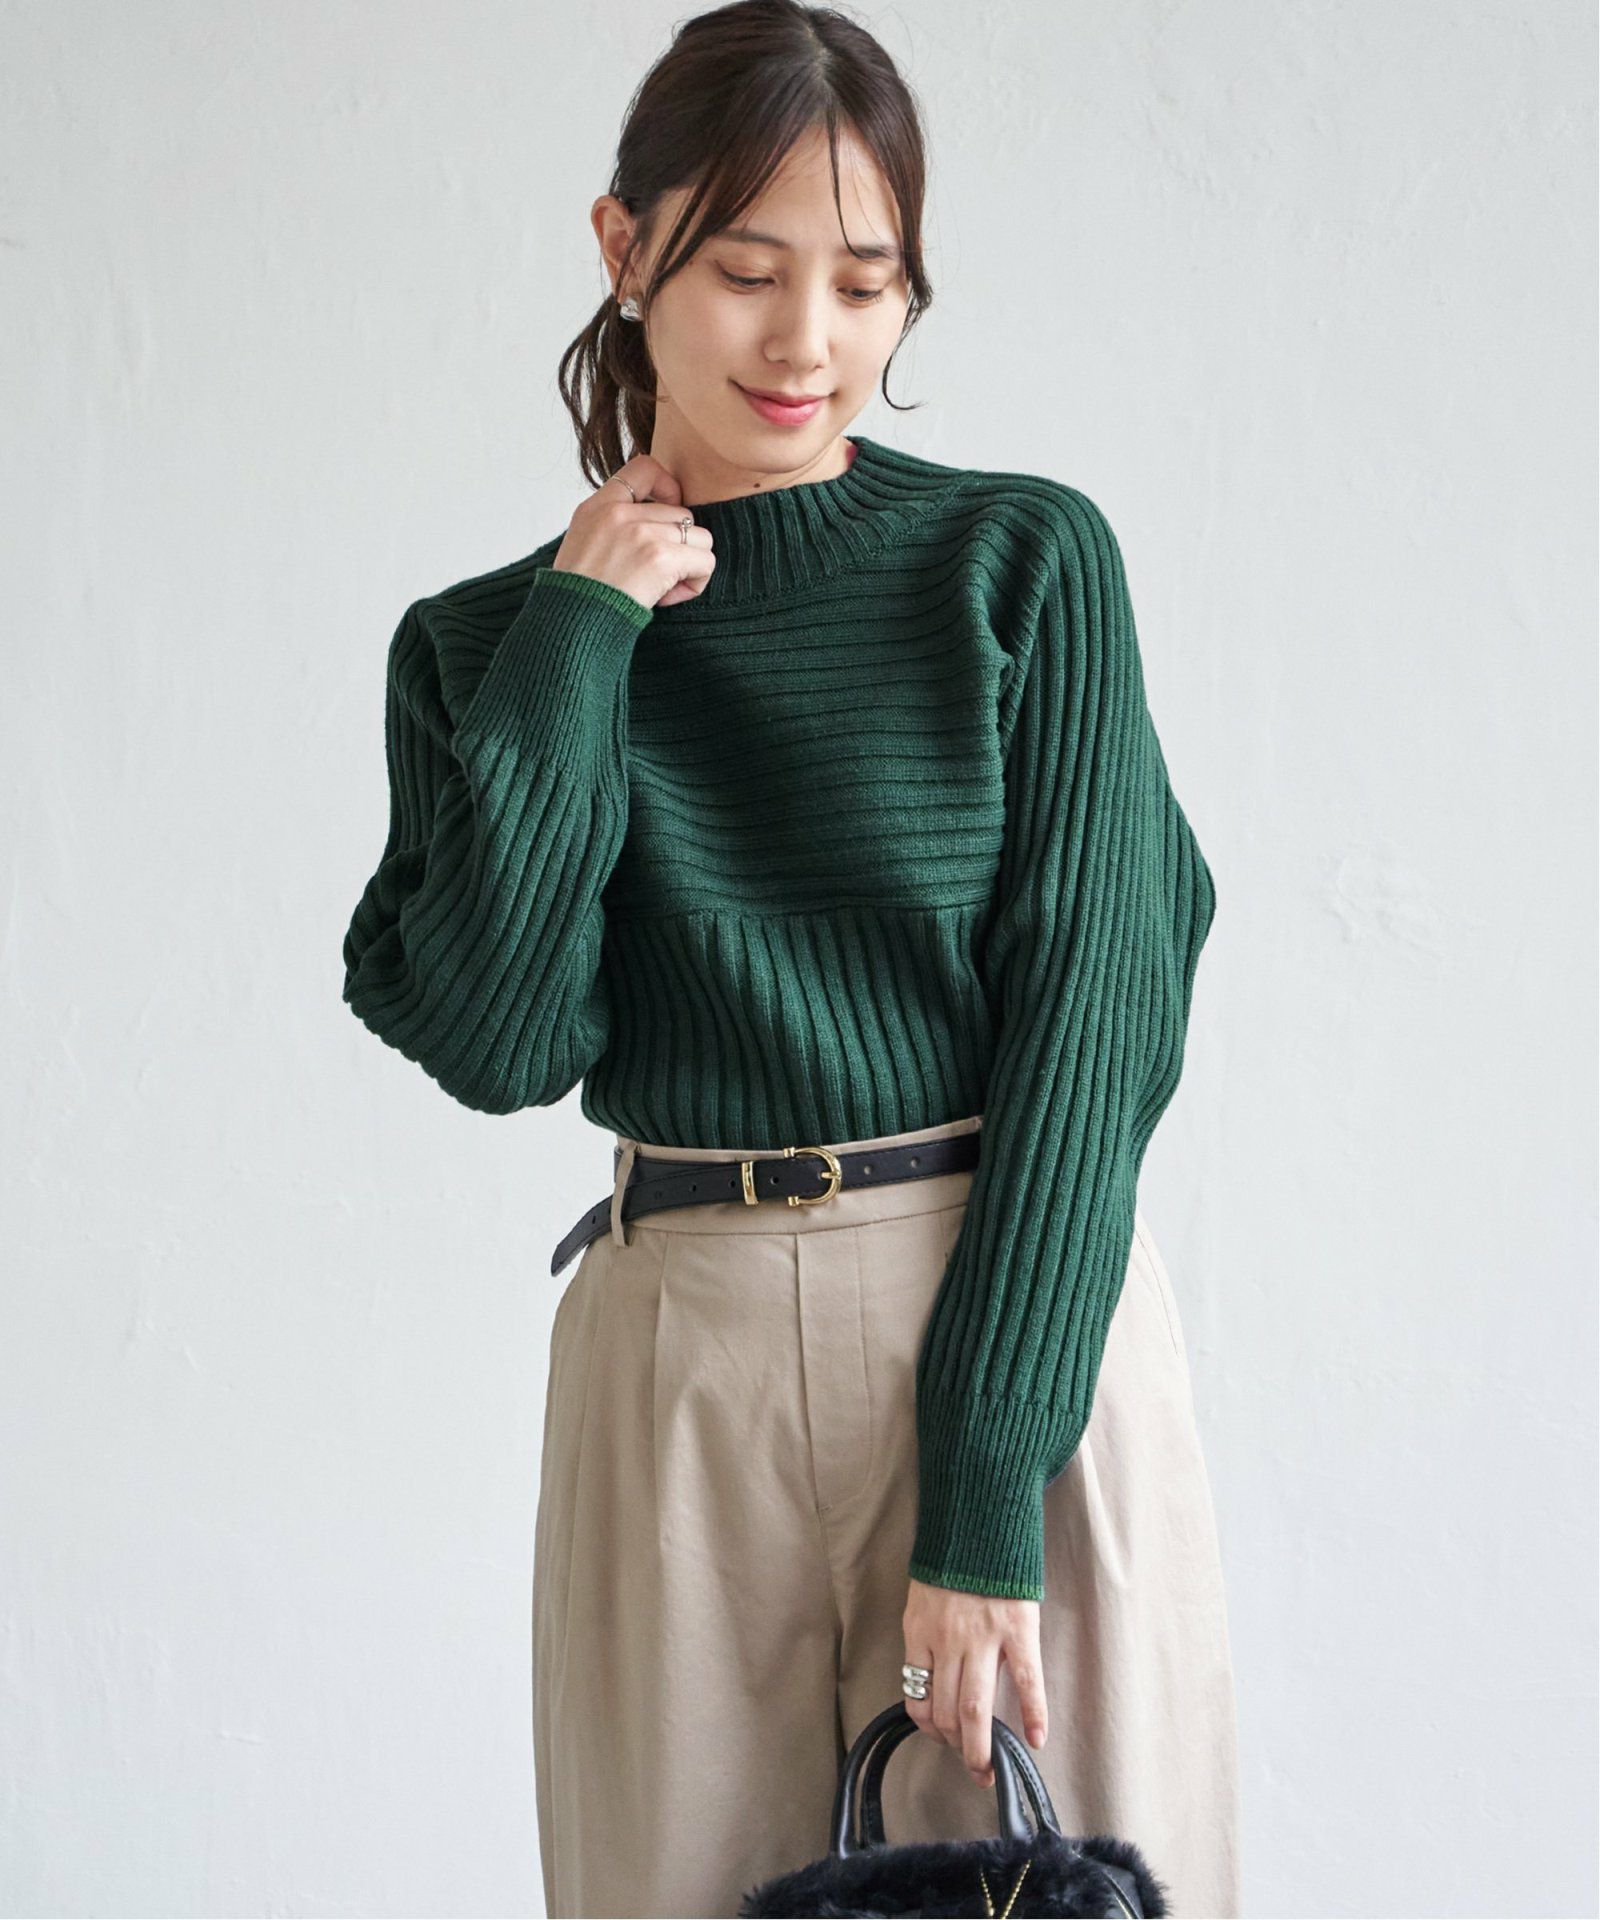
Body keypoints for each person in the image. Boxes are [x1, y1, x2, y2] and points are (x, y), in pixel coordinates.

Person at [340, 2, 1241, 1913]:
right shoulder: (484, 647)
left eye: (865, 282)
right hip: (686, 1354)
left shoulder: (1024, 564)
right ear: (625, 250)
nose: (805, 341)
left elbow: (1096, 1024)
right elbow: (499, 1035)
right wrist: (583, 632)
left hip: (1003, 1310)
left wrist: (984, 1491)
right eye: (746, 272)